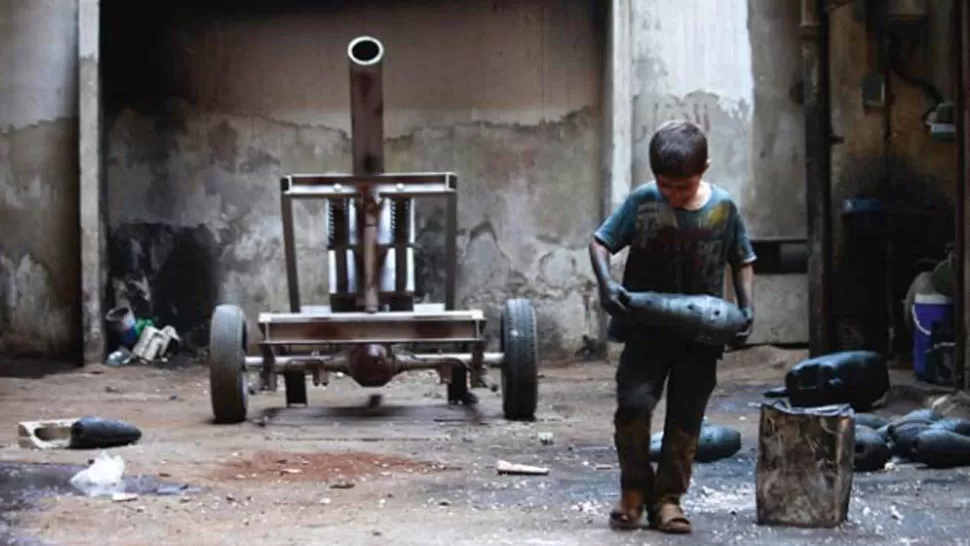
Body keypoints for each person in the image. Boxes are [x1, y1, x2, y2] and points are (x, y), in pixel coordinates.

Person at [588, 120, 756, 534]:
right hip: (644, 331)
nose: (674, 195)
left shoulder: (724, 208)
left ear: (705, 169)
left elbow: (743, 258)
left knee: (685, 419)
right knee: (633, 406)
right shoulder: (643, 202)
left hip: (699, 337)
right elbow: (600, 242)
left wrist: (747, 307)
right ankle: (632, 492)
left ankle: (667, 500)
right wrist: (607, 284)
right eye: (666, 185)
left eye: (683, 186)